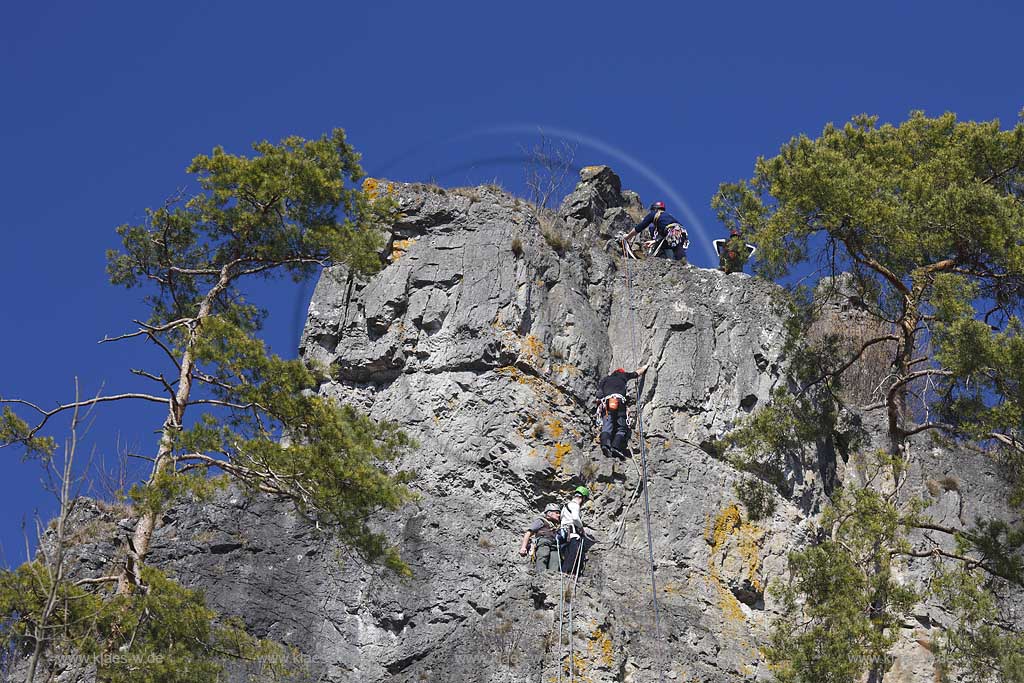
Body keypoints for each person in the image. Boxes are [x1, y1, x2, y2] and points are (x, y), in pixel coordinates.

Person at [597, 364, 648, 458]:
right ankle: (615, 447)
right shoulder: (623, 376)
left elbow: (599, 394)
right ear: (621, 372)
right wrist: (645, 367)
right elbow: (636, 373)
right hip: (620, 402)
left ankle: (605, 445)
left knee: (607, 426)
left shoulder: (605, 379)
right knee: (622, 428)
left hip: (607, 402)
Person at [621, 201, 689, 261]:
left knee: (663, 250)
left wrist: (627, 237)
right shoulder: (667, 217)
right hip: (681, 234)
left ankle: (637, 249)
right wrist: (654, 241)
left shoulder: (654, 214)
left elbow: (639, 227)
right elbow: (664, 236)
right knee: (676, 251)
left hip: (672, 233)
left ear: (655, 209)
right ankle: (680, 263)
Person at [518, 503, 563, 572]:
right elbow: (528, 533)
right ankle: (540, 575)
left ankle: (552, 579)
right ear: (549, 513)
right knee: (543, 557)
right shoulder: (541, 521)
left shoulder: (556, 526)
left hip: (555, 546)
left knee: (555, 562)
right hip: (544, 543)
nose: (558, 515)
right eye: (556, 513)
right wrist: (523, 547)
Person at [559, 486, 592, 575]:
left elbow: (562, 520)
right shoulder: (575, 505)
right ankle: (568, 573)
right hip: (572, 534)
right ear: (583, 498)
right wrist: (581, 528)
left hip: (564, 534)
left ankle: (564, 571)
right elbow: (575, 518)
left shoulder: (564, 507)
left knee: (568, 554)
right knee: (575, 554)